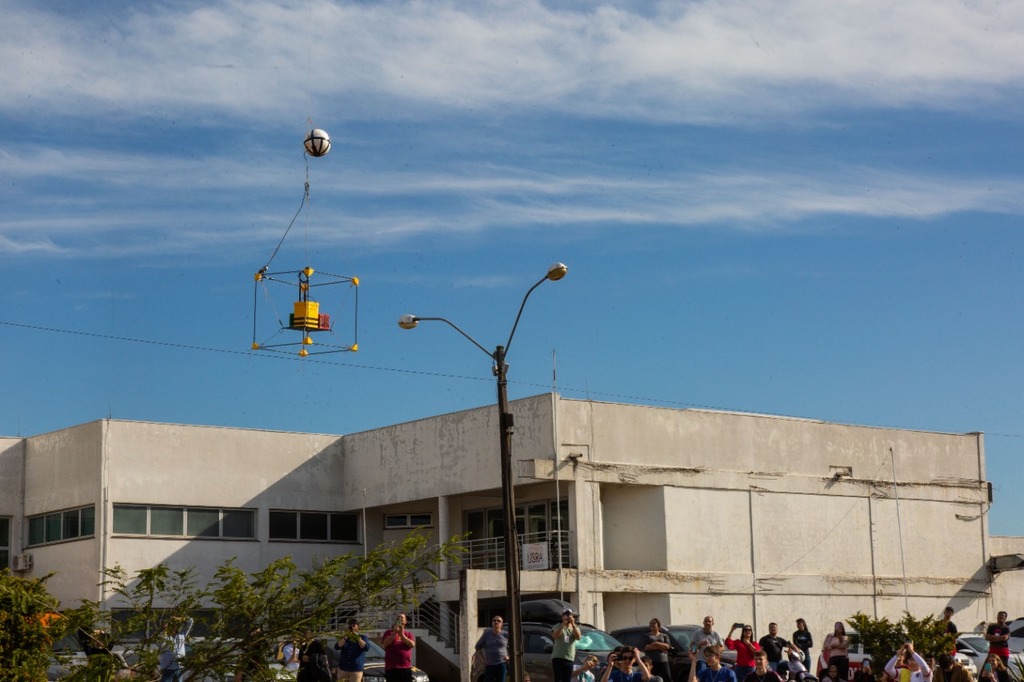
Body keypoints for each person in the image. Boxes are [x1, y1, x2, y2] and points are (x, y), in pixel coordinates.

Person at [158, 616, 194, 682]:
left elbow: (190, 621)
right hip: (167, 667)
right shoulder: (163, 636)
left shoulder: (182, 634)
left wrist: (180, 618)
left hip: (179, 667)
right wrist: (165, 630)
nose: (175, 626)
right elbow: (162, 646)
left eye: (176, 624)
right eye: (173, 625)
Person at [383, 613, 416, 682]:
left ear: (405, 621)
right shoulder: (388, 633)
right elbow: (385, 644)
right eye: (398, 617)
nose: (400, 619)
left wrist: (402, 635)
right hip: (391, 668)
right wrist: (394, 633)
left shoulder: (408, 634)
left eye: (402, 617)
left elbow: (412, 645)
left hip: (405, 668)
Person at [476, 615, 510, 682]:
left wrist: (508, 656)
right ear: (492, 623)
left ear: (501, 624)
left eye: (498, 621)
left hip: (501, 664)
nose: (496, 622)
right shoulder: (486, 634)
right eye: (494, 620)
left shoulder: (506, 634)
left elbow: (513, 647)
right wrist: (482, 659)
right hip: (489, 665)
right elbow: (477, 647)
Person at [552, 608, 582, 682]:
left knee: (567, 679)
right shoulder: (558, 626)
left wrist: (573, 624)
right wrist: (563, 625)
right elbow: (555, 636)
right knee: (558, 679)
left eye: (569, 615)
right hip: (558, 657)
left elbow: (578, 637)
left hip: (569, 658)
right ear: (562, 616)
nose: (567, 617)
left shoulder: (575, 628)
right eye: (565, 615)